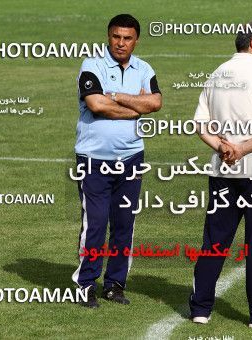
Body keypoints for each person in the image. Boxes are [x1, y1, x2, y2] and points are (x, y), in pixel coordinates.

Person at [189, 21, 252, 328]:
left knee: (215, 241)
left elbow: (200, 125)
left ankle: (200, 308)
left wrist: (224, 148)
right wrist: (243, 149)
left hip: (223, 171)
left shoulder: (216, 74)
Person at [72, 14, 162, 308]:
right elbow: (96, 105)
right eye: (115, 36)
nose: (120, 43)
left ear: (136, 40)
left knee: (124, 224)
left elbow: (156, 103)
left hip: (131, 159)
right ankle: (85, 284)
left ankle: (114, 284)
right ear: (108, 36)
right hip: (93, 160)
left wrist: (116, 96)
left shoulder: (144, 68)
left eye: (127, 38)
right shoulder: (92, 65)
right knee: (95, 224)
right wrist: (135, 107)